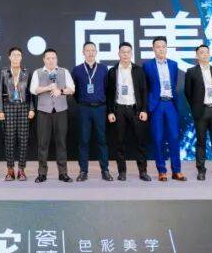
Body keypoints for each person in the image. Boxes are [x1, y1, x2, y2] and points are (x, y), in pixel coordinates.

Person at [104, 42, 151, 181]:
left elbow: (144, 91)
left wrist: (144, 110)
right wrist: (110, 111)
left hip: (136, 109)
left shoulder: (138, 70)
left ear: (131, 53)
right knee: (119, 142)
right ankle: (122, 172)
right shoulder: (112, 71)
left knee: (140, 142)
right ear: (119, 54)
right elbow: (109, 93)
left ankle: (143, 172)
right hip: (119, 109)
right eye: (123, 52)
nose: (125, 54)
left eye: (128, 52)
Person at [142, 37, 185, 182]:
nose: (161, 49)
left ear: (166, 48)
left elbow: (173, 83)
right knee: (158, 138)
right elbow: (145, 87)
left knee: (174, 137)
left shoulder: (173, 64)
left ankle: (176, 171)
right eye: (158, 46)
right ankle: (162, 171)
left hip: (171, 103)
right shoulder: (147, 66)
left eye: (163, 46)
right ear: (153, 49)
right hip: (157, 104)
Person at [184, 44, 212, 181]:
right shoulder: (191, 72)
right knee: (201, 142)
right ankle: (201, 170)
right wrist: (195, 107)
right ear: (197, 56)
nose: (205, 54)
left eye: (206, 52)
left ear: (210, 55)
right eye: (201, 52)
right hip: (200, 112)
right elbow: (188, 93)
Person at [30, 48, 75, 183]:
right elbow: (33, 90)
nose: (51, 60)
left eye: (53, 58)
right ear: (44, 60)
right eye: (48, 58)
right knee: (42, 144)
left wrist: (60, 91)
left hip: (61, 111)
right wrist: (47, 88)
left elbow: (72, 89)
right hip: (44, 112)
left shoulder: (64, 71)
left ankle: (63, 173)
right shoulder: (38, 72)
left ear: (57, 59)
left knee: (61, 143)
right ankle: (42, 173)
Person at [71, 42, 112, 181]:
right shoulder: (77, 70)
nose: (90, 53)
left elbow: (107, 89)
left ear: (96, 52)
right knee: (83, 140)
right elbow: (75, 91)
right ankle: (83, 171)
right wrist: (83, 101)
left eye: (93, 50)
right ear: (83, 52)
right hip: (84, 108)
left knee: (102, 140)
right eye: (87, 50)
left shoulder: (103, 68)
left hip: (100, 108)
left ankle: (105, 170)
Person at [0, 47, 34, 181]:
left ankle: (21, 170)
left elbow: (31, 93)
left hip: (24, 107)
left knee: (23, 139)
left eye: (18, 55)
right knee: (9, 139)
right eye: (14, 55)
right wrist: (0, 110)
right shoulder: (4, 72)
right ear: (9, 57)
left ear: (21, 57)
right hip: (8, 107)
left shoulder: (27, 72)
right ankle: (10, 170)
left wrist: (32, 108)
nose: (16, 57)